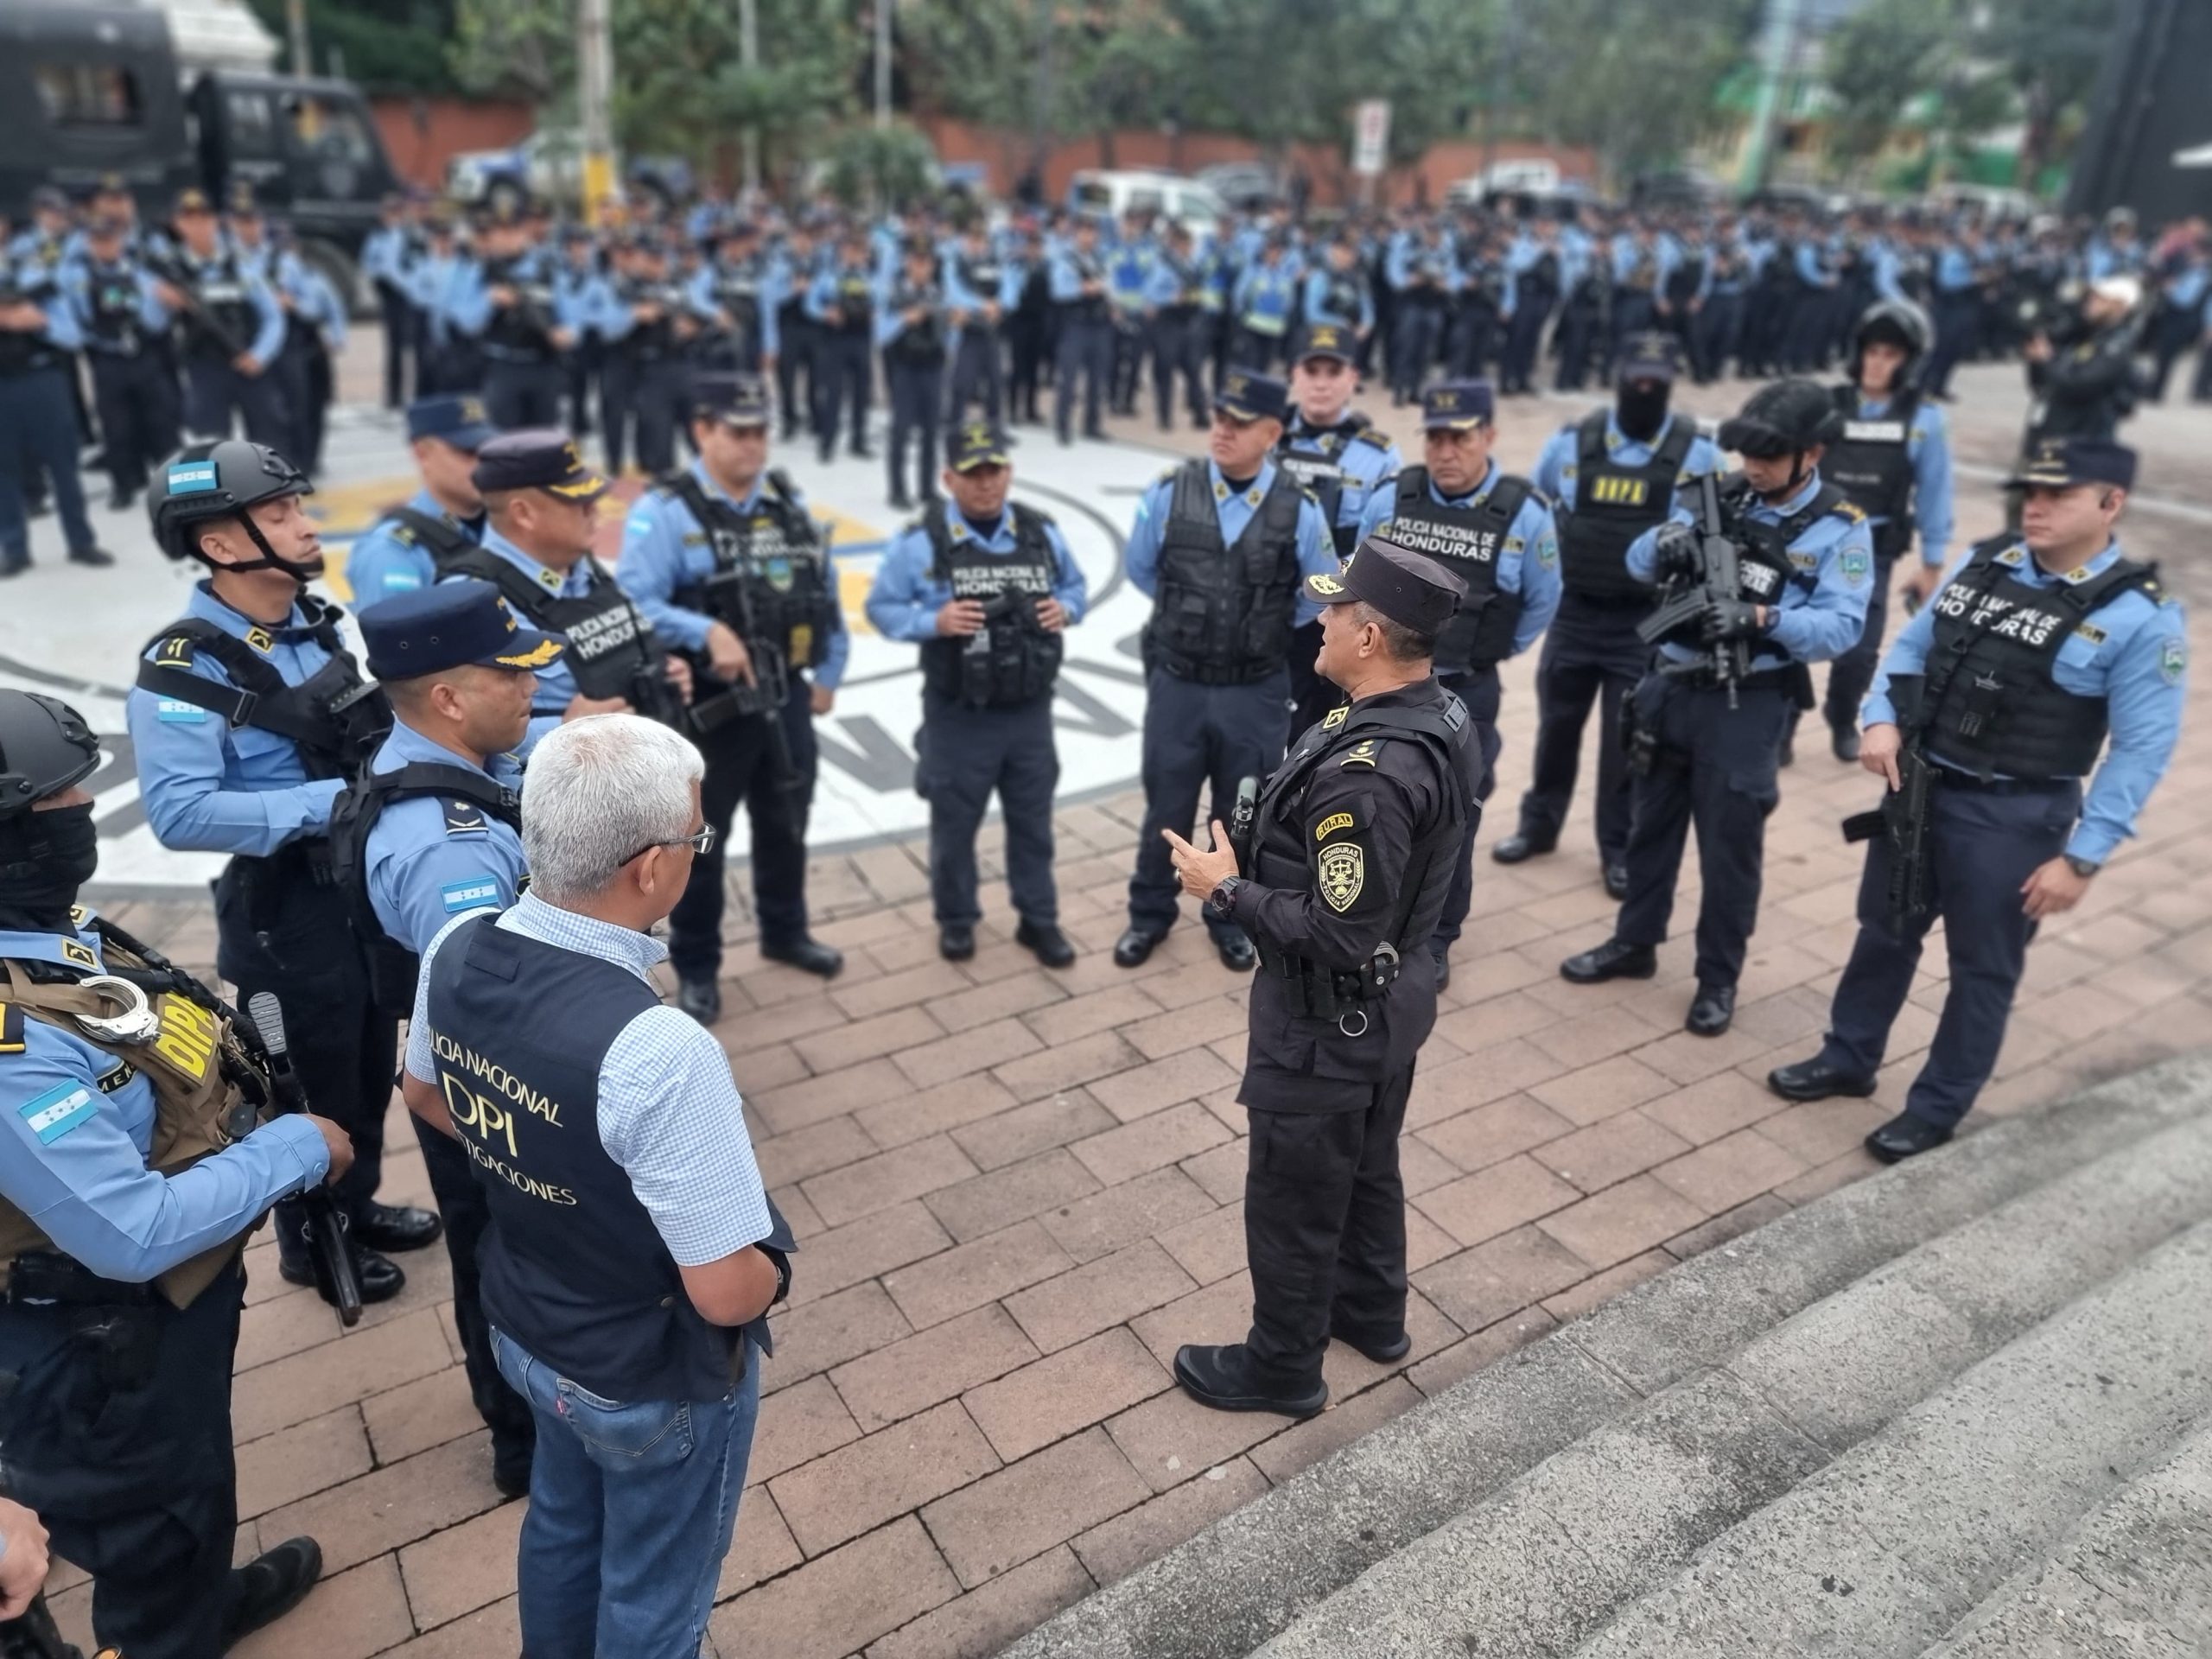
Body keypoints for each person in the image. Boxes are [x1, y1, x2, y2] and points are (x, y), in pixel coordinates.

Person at [398, 714, 793, 1658]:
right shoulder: (659, 1049)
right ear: (652, 869)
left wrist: (536, 1155)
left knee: (564, 1527)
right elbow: (725, 1288)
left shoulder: (455, 942)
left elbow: (421, 1092)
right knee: (656, 1597)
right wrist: (775, 1271)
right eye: (697, 839)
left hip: (526, 1323)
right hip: (642, 1369)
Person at [0, 688, 340, 1656]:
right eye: (59, 807)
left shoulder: (46, 931)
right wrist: (302, 1148)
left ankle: (194, 1591)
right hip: (96, 1338)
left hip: (159, 1314)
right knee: (148, 1513)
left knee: (184, 1491)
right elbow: (128, 1230)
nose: (83, 819)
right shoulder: (10, 1043)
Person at [1768, 439, 2186, 1160]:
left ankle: (1936, 1106)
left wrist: (2083, 860)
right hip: (1921, 787)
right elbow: (1910, 649)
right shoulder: (1984, 562)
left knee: (1982, 967)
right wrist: (1879, 719)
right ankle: (1848, 1058)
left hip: (2015, 816)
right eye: (2031, 491)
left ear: (2112, 503)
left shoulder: (2140, 617)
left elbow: (2142, 750)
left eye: (2060, 494)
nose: (2037, 505)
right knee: (1884, 932)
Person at [1160, 537, 1477, 1416]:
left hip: (1325, 1022)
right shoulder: (1436, 713)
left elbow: (1338, 933)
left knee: (1293, 1199)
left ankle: (1283, 1366)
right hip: (1392, 1002)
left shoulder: (1365, 780)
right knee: (1369, 1167)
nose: (1321, 621)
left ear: (1370, 636)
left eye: (1336, 611)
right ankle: (1373, 1317)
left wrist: (1224, 888)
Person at [130, 440, 442, 1306]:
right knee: (309, 1079)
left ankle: (360, 1200)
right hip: (284, 912)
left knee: (370, 1057)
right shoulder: (182, 669)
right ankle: (313, 1241)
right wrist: (334, 803)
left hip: (358, 894)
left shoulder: (315, 621)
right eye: (279, 515)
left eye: (296, 508)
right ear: (221, 545)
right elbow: (180, 812)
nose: (305, 525)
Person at [1558, 379, 1875, 1036]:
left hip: (1747, 701)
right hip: (1669, 683)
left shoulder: (1839, 528)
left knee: (1731, 850)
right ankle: (1635, 942)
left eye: (1769, 455)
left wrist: (1764, 616)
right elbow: (1639, 560)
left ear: (1811, 453)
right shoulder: (1714, 493)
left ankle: (1718, 978)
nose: (1753, 468)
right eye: (1747, 454)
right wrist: (1663, 545)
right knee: (1650, 828)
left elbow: (1843, 627)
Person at [336, 582, 563, 1498]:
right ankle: (523, 1440)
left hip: (470, 1072)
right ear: (449, 698)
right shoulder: (450, 851)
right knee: (503, 1254)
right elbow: (473, 1009)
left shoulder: (438, 766)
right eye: (513, 676)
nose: (531, 691)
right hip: (484, 1090)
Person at [617, 374, 849, 1014]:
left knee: (787, 823)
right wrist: (706, 629)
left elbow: (821, 593)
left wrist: (830, 670)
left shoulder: (784, 503)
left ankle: (785, 932)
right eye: (738, 432)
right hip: (709, 711)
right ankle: (697, 966)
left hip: (786, 696)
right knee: (699, 844)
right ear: (703, 431)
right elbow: (635, 602)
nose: (753, 445)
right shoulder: (667, 511)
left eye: (760, 432)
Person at [1115, 369, 1338, 972]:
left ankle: (1229, 916)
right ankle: (1149, 914)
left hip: (1254, 690)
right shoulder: (1170, 492)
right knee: (1166, 805)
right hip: (1179, 684)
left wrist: (1250, 633)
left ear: (1271, 433)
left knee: (1241, 813)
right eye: (1219, 419)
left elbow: (1317, 594)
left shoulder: (1301, 510)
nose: (1223, 431)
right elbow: (1141, 570)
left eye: (1239, 424)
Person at [1354, 379, 1560, 988]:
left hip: (1465, 692)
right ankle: (1368, 918)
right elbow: (1360, 577)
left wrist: (1485, 652)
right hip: (1382, 685)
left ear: (1489, 437)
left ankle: (1438, 937)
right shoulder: (1394, 496)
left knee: (1453, 821)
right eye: (1436, 437)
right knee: (1370, 806)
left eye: (1461, 437)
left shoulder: (1524, 512)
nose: (1446, 450)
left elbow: (1541, 603)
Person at [1503, 334, 1719, 899]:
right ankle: (1538, 825)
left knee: (1625, 744)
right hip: (1574, 612)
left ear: (1671, 379)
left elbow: (1713, 532)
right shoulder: (1573, 441)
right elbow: (1540, 504)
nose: (1644, 386)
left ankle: (1617, 849)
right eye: (1636, 374)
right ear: (1619, 372)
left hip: (1644, 622)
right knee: (1555, 729)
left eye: (1656, 377)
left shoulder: (1699, 452)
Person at [867, 420, 1089, 964]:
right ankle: (957, 919)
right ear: (948, 478)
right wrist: (934, 619)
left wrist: (1067, 609)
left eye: (995, 471)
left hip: (1029, 711)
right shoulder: (921, 544)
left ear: (1008, 472)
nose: (986, 483)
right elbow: (881, 607)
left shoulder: (1041, 533)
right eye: (973, 474)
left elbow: (1075, 587)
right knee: (955, 825)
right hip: (958, 714)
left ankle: (1039, 921)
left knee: (1033, 822)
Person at [438, 429, 691, 759]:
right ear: (523, 513)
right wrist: (564, 733)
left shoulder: (586, 570)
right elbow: (459, 733)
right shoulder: (471, 601)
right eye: (578, 502)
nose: (595, 511)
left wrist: (664, 676)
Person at [1793, 298, 1955, 764]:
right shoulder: (1826, 405)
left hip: (1871, 551)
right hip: (1809, 541)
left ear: (1907, 362)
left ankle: (1842, 717)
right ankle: (1782, 723)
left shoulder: (1924, 419)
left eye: (1891, 355)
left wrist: (1932, 563)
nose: (1878, 363)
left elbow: (1934, 491)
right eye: (1873, 351)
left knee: (1860, 651)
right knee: (1789, 637)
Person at [1274, 324, 1402, 734]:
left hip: (1329, 619)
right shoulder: (1263, 438)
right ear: (1295, 375)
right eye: (1312, 372)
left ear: (1353, 379)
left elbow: (1379, 546)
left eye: (1334, 373)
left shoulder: (1378, 455)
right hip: (1261, 609)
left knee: (1318, 735)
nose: (1322, 385)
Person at [63, 212, 181, 513]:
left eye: (111, 240)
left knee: (162, 423)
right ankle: (123, 486)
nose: (106, 247)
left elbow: (159, 318)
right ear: (90, 244)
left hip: (144, 355)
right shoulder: (77, 277)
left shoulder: (141, 273)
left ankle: (175, 487)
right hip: (108, 358)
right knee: (116, 427)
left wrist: (152, 308)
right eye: (98, 241)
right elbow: (73, 318)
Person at [153, 188, 289, 448]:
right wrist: (165, 302)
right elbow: (152, 324)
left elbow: (272, 316)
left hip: (247, 360)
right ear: (177, 224)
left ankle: (274, 489)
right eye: (189, 220)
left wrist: (260, 355)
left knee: (269, 440)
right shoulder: (170, 269)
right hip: (205, 368)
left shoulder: (241, 264)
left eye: (204, 218)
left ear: (215, 221)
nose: (198, 227)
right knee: (207, 445)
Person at [344, 392, 501, 608]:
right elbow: (397, 640)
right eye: (467, 452)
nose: (482, 463)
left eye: (488, 451)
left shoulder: (504, 523)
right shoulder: (392, 553)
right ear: (422, 454)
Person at [2024, 275, 2144, 447]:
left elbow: (2080, 383)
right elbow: (2042, 383)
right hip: (2054, 424)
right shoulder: (2082, 333)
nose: (2091, 302)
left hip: (2082, 433)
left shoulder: (2116, 344)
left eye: (2101, 299)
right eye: (2092, 297)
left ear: (2121, 307)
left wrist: (2046, 360)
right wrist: (2037, 360)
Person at [879, 239, 949, 510]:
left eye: (927, 263)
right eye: (917, 262)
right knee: (901, 429)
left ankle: (927, 488)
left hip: (932, 366)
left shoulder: (939, 293)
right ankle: (897, 490)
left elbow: (948, 328)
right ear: (908, 264)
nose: (922, 269)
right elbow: (881, 332)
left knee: (932, 430)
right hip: (905, 367)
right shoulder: (894, 294)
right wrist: (904, 319)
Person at [1051, 218, 1115, 445]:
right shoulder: (1066, 259)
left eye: (1092, 232)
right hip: (1075, 324)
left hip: (1099, 323)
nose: (1089, 238)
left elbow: (1111, 285)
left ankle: (1092, 424)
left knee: (1098, 378)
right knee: (1069, 378)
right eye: (1084, 232)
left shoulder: (1101, 258)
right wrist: (1084, 288)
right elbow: (1059, 290)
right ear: (1076, 234)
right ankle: (1062, 425)